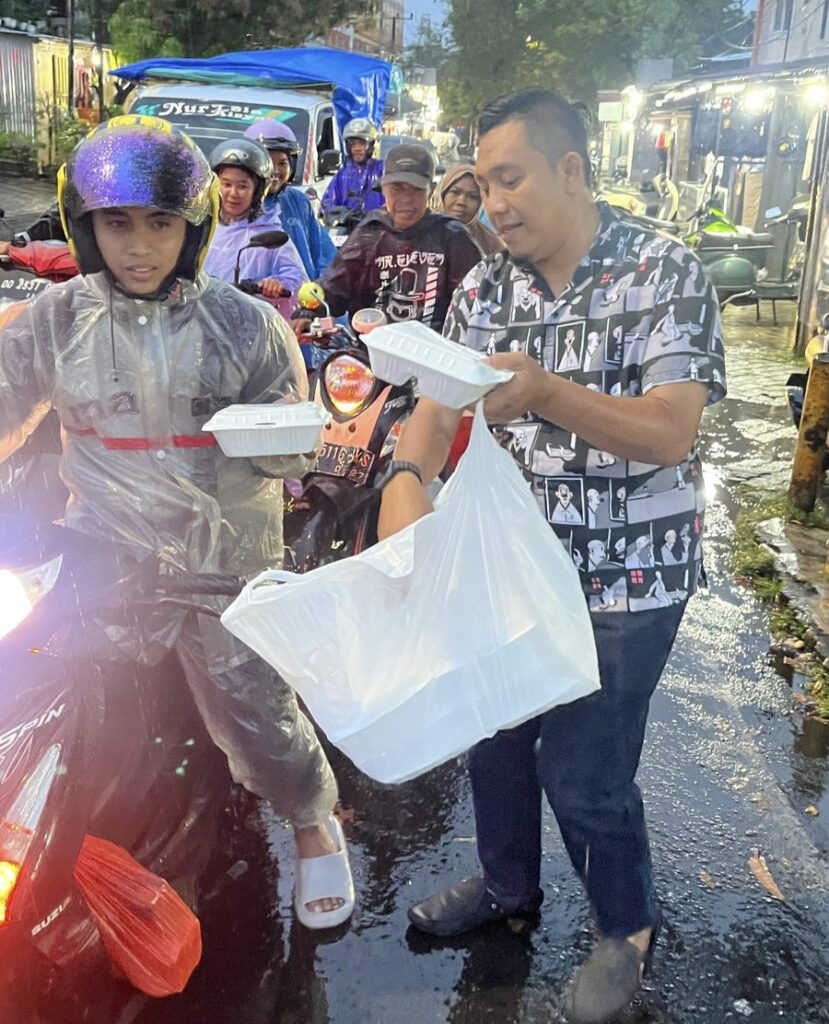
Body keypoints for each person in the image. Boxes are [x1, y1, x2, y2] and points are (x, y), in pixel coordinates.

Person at [376, 89, 725, 1023]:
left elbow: (669, 434)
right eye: (484, 182)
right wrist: (404, 474)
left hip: (628, 576)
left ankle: (624, 928)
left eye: (511, 177)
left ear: (571, 169)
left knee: (582, 769)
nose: (492, 201)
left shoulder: (664, 270)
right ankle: (506, 887)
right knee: (495, 739)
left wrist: (542, 393)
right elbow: (439, 404)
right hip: (508, 563)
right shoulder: (486, 287)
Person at [0, 116, 354, 931]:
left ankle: (311, 822)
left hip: (223, 563)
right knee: (65, 704)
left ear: (191, 229)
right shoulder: (53, 322)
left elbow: (290, 442)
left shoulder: (247, 325)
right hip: (102, 560)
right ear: (84, 228)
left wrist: (279, 448)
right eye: (116, 223)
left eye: (160, 223)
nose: (138, 246)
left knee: (256, 713)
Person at [307, 143, 482, 330]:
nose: (406, 199)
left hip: (433, 354)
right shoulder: (370, 232)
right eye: (397, 188)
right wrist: (308, 313)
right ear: (383, 189)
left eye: (416, 189)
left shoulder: (452, 235)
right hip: (369, 352)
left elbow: (476, 300)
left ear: (430, 189)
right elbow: (333, 288)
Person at [202, 137, 307, 320]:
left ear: (257, 191)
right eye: (226, 184)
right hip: (201, 322)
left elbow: (298, 279)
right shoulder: (202, 228)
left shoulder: (269, 234)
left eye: (242, 186)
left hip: (249, 328)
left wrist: (276, 284)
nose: (233, 193)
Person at [243, 119, 336, 278]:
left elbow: (324, 256)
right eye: (268, 163)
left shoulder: (298, 201)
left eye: (282, 164)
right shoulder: (237, 204)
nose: (275, 171)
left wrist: (321, 288)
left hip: (297, 297)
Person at [434, 163, 505, 256]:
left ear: (480, 203)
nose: (461, 202)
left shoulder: (491, 245)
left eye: (472, 197)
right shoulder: (423, 234)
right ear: (443, 194)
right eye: (455, 192)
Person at [321, 117, 385, 216]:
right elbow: (328, 202)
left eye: (362, 144)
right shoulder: (342, 174)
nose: (357, 148)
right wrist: (328, 213)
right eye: (353, 144)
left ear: (372, 145)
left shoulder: (381, 169)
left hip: (377, 227)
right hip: (348, 228)